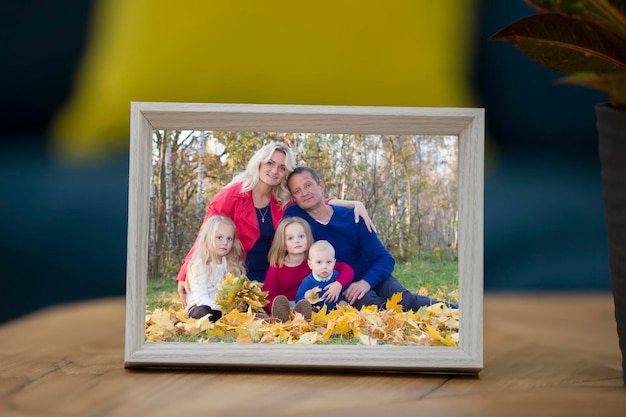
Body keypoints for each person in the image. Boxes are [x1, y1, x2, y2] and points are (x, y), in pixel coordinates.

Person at [176, 142, 374, 308]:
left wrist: (353, 204)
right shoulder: (232, 194)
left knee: (290, 296)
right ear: (259, 163)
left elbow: (313, 200)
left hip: (273, 267)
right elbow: (206, 232)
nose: (275, 171)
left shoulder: (282, 198)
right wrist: (185, 271)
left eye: (282, 167)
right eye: (270, 163)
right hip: (241, 268)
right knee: (249, 306)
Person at [285, 166, 456, 312]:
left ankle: (455, 309)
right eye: (297, 191)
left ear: (321, 186)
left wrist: (366, 283)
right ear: (294, 198)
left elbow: (385, 259)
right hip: (344, 285)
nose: (304, 193)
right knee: (373, 306)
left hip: (371, 275)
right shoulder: (295, 218)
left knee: (404, 300)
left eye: (308, 185)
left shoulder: (353, 218)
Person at [264, 216, 354, 321]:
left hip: (311, 304)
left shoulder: (316, 261)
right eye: (290, 238)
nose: (297, 241)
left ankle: (304, 317)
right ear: (283, 244)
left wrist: (339, 284)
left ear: (308, 237)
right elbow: (268, 295)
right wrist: (279, 308)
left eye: (301, 236)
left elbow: (346, 269)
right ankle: (285, 317)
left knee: (312, 309)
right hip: (287, 305)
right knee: (282, 307)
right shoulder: (277, 266)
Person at [184, 215, 246, 321]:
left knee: (246, 306)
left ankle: (226, 316)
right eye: (219, 238)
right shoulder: (200, 264)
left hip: (223, 307)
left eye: (229, 239)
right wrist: (224, 309)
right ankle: (222, 317)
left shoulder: (230, 264)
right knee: (204, 312)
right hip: (200, 305)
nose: (225, 242)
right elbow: (201, 298)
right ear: (208, 238)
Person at [296, 240, 350, 312]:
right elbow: (298, 300)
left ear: (334, 263)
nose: (324, 266)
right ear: (310, 264)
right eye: (319, 262)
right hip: (315, 316)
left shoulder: (337, 278)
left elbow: (346, 292)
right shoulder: (308, 281)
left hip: (335, 315)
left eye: (328, 262)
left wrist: (343, 301)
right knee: (308, 311)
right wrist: (305, 297)